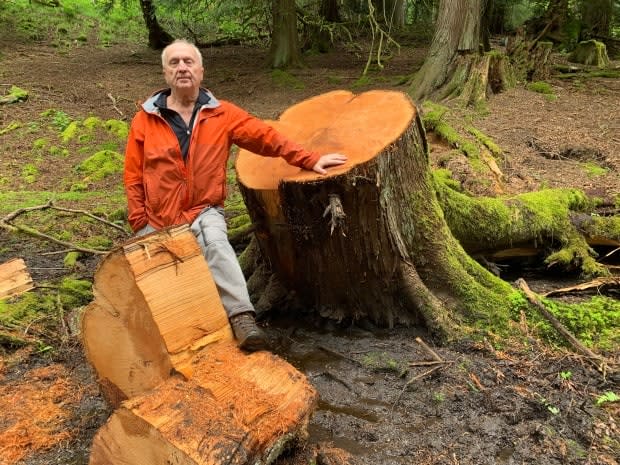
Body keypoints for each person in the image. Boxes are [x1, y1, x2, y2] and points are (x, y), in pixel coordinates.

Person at [124, 39, 347, 352]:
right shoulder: (145, 121)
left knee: (216, 242)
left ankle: (242, 318)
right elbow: (133, 176)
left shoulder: (222, 114)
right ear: (165, 72)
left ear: (201, 70)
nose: (182, 68)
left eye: (189, 62)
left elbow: (266, 138)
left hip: (203, 209)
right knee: (159, 280)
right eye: (174, 63)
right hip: (160, 217)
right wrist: (140, 222)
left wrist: (308, 159)